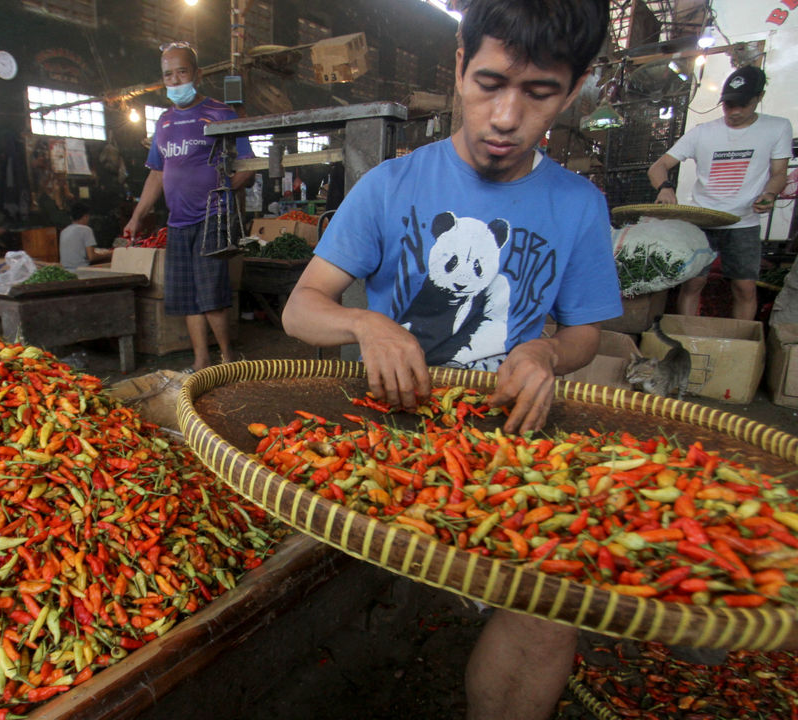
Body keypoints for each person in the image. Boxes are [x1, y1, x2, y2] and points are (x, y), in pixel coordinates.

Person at [281, 2, 620, 719]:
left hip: (503, 448)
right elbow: (301, 306)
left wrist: (546, 350)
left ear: (576, 86)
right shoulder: (391, 187)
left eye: (538, 93)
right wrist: (366, 323)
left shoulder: (579, 205)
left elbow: (587, 332)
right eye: (490, 81)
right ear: (459, 65)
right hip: (385, 437)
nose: (505, 117)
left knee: (552, 604)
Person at [123, 42, 255, 373]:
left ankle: (227, 357)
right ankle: (201, 360)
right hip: (178, 221)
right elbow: (157, 172)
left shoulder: (221, 113)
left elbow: (249, 163)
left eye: (182, 72)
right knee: (187, 296)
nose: (176, 80)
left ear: (196, 74)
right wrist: (137, 216)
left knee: (211, 292)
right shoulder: (164, 122)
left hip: (212, 216)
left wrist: (226, 188)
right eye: (168, 75)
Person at [647, 66, 792, 320]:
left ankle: (738, 342)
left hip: (743, 222)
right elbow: (658, 167)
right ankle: (686, 338)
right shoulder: (703, 132)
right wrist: (665, 187)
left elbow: (779, 173)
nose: (734, 112)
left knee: (744, 287)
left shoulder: (776, 128)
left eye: (742, 105)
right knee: (693, 283)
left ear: (758, 97)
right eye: (728, 105)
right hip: (702, 220)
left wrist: (769, 193)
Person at [60, 202, 111, 269]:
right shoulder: (86, 230)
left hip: (65, 270)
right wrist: (110, 254)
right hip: (81, 270)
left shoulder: (64, 231)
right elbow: (91, 257)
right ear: (85, 216)